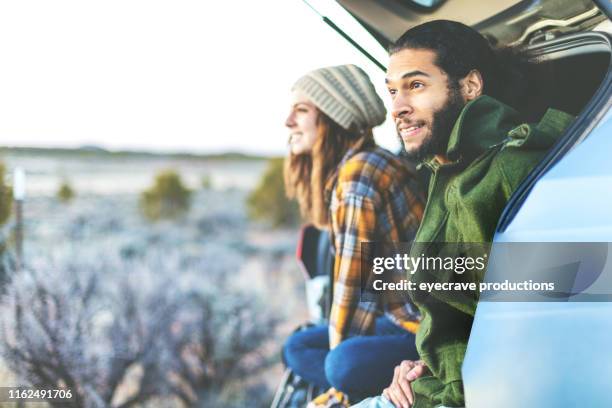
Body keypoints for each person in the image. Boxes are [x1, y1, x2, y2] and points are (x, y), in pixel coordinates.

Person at [353, 20, 574, 408]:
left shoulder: (509, 169)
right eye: (392, 92)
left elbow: (542, 325)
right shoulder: (451, 171)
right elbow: (466, 310)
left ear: (470, 86)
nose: (398, 108)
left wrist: (449, 388)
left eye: (416, 85)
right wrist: (425, 362)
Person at [282, 64, 425, 406]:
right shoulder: (365, 162)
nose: (288, 122)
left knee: (342, 363)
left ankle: (372, 389)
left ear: (334, 118)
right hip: (395, 317)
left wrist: (340, 387)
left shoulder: (358, 175)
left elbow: (352, 286)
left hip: (421, 328)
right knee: (297, 347)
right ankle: (372, 379)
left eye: (301, 111)